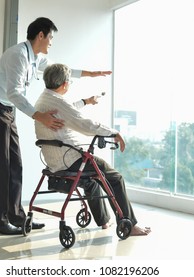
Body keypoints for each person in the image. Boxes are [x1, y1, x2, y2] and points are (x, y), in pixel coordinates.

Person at [0, 17, 112, 235]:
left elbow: (60, 69)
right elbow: (14, 92)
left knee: (15, 166)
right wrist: (39, 116)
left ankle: (16, 217)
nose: (51, 42)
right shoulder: (18, 56)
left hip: (6, 111)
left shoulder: (35, 58)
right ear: (41, 35)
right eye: (50, 37)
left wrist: (90, 73)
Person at [34, 63, 151, 236]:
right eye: (70, 82)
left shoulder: (43, 99)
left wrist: (86, 102)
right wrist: (113, 132)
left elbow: (67, 110)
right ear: (65, 83)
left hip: (53, 160)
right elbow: (85, 125)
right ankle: (129, 225)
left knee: (92, 181)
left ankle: (104, 220)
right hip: (70, 159)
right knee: (115, 178)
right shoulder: (58, 102)